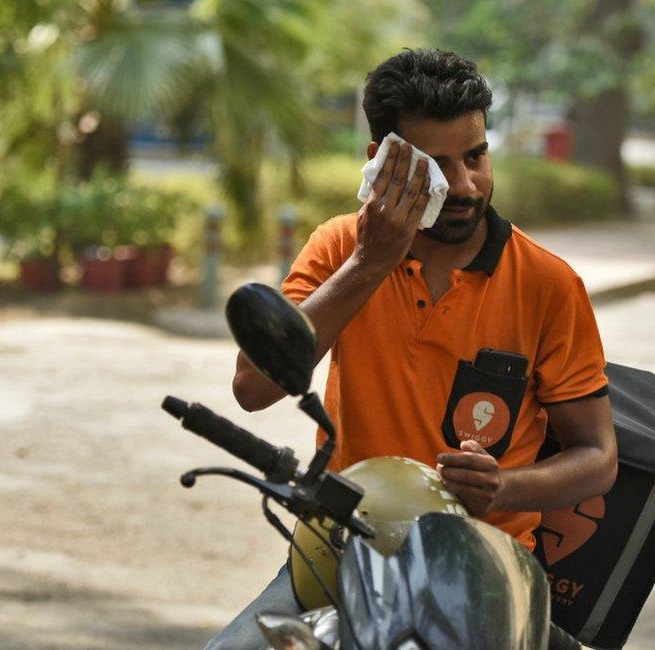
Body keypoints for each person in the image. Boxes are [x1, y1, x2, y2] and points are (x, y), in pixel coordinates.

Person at [210, 48, 617, 649]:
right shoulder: (337, 248)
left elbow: (597, 457)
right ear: (381, 162)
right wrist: (370, 262)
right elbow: (253, 389)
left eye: (475, 157)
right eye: (435, 164)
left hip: (485, 571)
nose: (463, 185)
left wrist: (504, 488)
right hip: (342, 552)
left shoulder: (546, 283)